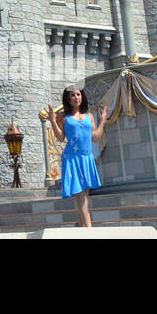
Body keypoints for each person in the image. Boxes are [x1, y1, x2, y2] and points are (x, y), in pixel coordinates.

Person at [45, 87, 108, 227]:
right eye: (72, 95)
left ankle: (80, 226)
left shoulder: (89, 116)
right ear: (68, 99)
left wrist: (103, 121)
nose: (76, 97)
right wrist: (53, 121)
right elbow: (60, 138)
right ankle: (88, 230)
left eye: (78, 94)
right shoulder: (63, 117)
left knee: (84, 195)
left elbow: (96, 138)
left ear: (82, 97)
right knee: (80, 196)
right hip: (72, 159)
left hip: (86, 158)